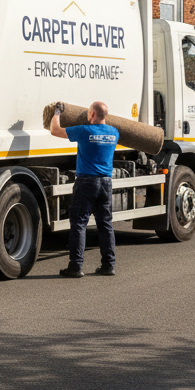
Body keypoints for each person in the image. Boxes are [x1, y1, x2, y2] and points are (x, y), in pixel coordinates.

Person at [49, 101, 119, 278]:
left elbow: (55, 130)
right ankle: (108, 265)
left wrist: (57, 112)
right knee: (105, 224)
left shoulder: (84, 131)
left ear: (92, 115)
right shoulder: (114, 133)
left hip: (86, 182)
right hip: (105, 183)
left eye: (89, 113)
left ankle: (76, 266)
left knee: (79, 224)